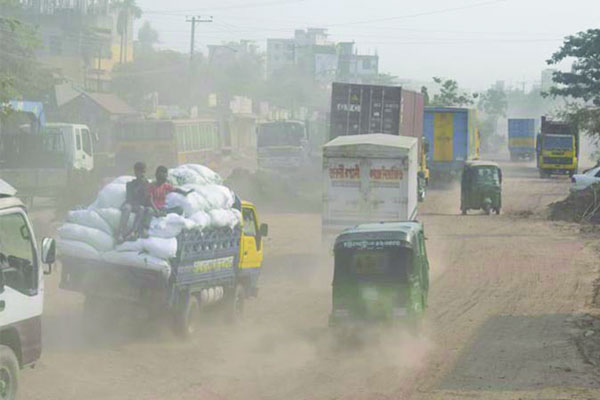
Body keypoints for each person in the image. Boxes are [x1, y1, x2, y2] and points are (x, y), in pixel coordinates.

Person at [117, 162, 150, 243]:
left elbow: (146, 200)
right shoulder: (130, 184)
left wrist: (144, 186)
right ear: (136, 172)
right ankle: (120, 233)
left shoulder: (146, 184)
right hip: (130, 204)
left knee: (141, 209)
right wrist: (139, 186)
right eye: (141, 172)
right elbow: (129, 198)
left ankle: (133, 232)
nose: (142, 174)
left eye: (144, 172)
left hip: (138, 206)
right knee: (127, 208)